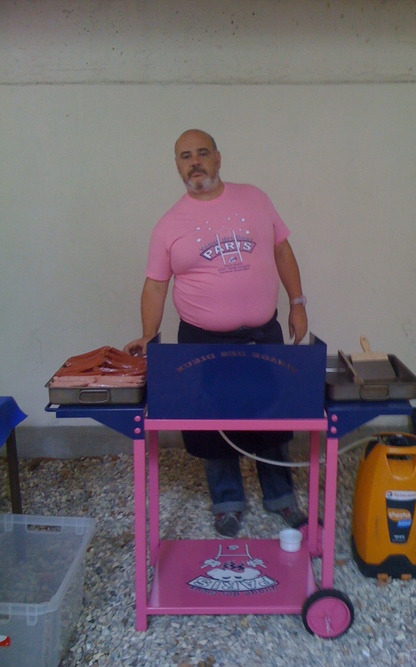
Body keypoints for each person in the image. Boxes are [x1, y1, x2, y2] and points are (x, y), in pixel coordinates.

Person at [125, 129, 309, 538]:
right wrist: (146, 333)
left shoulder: (255, 199)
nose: (195, 162)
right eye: (185, 156)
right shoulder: (169, 224)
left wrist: (297, 303)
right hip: (203, 341)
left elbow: (281, 249)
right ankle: (226, 502)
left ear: (218, 158)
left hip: (264, 334)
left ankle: (281, 498)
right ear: (177, 165)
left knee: (271, 416)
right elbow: (156, 284)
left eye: (202, 153)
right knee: (213, 422)